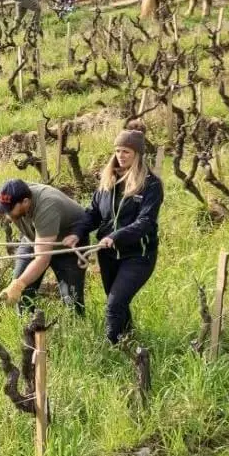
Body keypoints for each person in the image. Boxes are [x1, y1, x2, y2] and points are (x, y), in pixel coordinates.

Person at [74, 123, 164, 344]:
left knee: (114, 304)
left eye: (126, 152)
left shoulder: (151, 185)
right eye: (117, 151)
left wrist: (115, 237)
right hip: (108, 255)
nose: (120, 156)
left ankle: (111, 348)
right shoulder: (108, 181)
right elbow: (93, 213)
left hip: (138, 255)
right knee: (118, 302)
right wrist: (77, 233)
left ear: (138, 155)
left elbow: (145, 222)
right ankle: (130, 341)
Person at [0, 178, 87, 314]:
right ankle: (27, 330)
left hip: (69, 245)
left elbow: (42, 259)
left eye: (9, 209)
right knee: (21, 296)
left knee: (72, 301)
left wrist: (19, 284)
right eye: (3, 208)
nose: (5, 213)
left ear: (26, 202)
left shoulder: (47, 206)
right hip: (34, 238)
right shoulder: (5, 196)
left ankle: (75, 330)